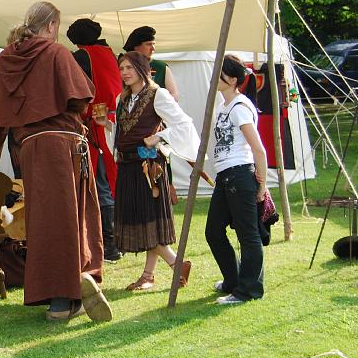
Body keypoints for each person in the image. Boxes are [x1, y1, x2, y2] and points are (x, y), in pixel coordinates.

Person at [0, 2, 112, 323]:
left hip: (30, 151)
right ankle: (70, 291)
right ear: (52, 26)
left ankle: (61, 298)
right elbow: (81, 99)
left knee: (44, 222)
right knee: (70, 220)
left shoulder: (4, 63)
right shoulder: (57, 54)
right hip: (64, 146)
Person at [97, 51, 199, 292]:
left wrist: (160, 137)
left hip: (147, 169)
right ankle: (149, 275)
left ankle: (176, 264)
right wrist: (108, 125)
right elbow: (124, 133)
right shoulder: (122, 99)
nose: (124, 73)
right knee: (144, 222)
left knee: (146, 221)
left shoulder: (158, 94)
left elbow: (184, 124)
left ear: (142, 69)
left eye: (129, 68)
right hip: (127, 166)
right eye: (121, 69)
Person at [205, 55, 269, 304]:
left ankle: (248, 290)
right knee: (213, 231)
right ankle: (233, 280)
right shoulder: (224, 106)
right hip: (226, 176)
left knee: (248, 235)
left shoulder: (240, 107)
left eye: (219, 72)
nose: (214, 76)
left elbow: (259, 149)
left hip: (240, 174)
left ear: (232, 79)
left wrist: (262, 185)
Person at [67, 17, 122, 262]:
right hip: (109, 121)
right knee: (106, 183)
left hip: (96, 125)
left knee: (100, 185)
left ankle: (110, 246)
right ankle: (112, 242)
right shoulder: (108, 52)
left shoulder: (83, 56)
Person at [123, 25, 180, 101]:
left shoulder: (160, 66)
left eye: (153, 44)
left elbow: (174, 95)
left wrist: (156, 103)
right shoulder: (123, 66)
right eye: (149, 44)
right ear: (136, 46)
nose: (153, 48)